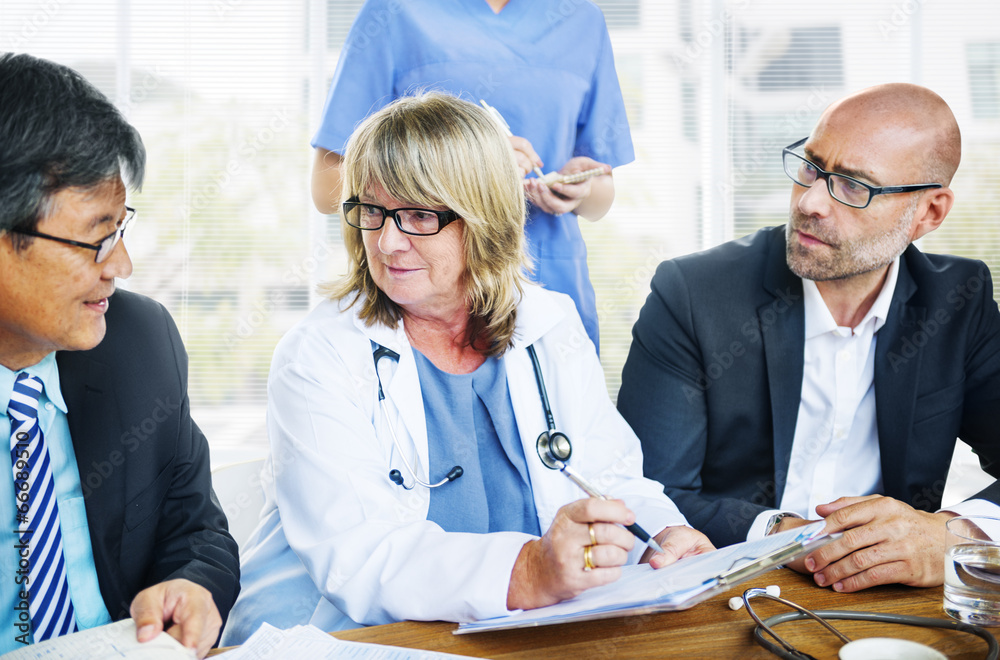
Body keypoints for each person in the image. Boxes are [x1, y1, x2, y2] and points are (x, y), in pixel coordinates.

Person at [222, 93, 711, 643]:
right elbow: (356, 554)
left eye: (418, 215)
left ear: (483, 219)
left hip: (508, 631)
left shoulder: (549, 324)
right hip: (341, 638)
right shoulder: (318, 355)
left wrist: (662, 533)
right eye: (372, 211)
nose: (386, 242)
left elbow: (610, 476)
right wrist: (529, 569)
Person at [617, 83, 1000, 594]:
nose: (812, 201)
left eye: (853, 186)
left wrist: (952, 535)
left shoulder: (957, 301)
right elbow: (646, 491)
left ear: (928, 213)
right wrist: (785, 536)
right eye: (811, 166)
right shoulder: (692, 294)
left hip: (889, 605)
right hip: (726, 589)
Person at [0, 53, 240, 658]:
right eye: (96, 238)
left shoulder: (139, 341)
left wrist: (191, 584)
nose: (122, 266)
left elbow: (198, 529)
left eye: (122, 229)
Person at [310, 0, 635, 353]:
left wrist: (581, 189)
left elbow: (601, 196)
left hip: (551, 281)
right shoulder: (394, 11)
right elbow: (327, 189)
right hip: (428, 305)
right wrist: (479, 168)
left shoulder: (581, 19)